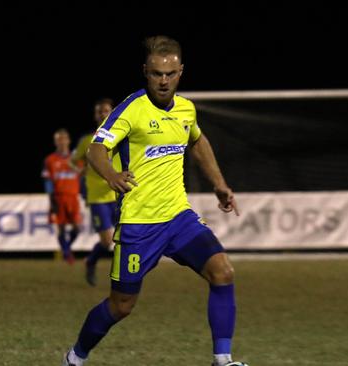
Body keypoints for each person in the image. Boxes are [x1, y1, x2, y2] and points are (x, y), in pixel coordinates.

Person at [62, 36, 247, 366]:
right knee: (121, 306)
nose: (164, 80)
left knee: (223, 272)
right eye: (157, 74)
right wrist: (111, 175)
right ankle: (75, 357)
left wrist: (219, 184)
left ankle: (223, 360)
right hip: (139, 225)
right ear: (145, 72)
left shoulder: (186, 110)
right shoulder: (131, 110)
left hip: (179, 218)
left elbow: (198, 141)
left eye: (171, 73)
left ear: (181, 72)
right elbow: (95, 149)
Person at [70, 99, 119, 286]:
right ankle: (91, 261)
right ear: (95, 115)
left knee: (127, 237)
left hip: (119, 194)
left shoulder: (121, 136)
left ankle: (125, 274)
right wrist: (81, 170)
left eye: (106, 111)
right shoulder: (86, 140)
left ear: (112, 112)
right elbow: (73, 161)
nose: (103, 114)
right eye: (99, 112)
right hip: (98, 197)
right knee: (107, 242)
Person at [42, 128, 82, 264]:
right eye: (58, 139)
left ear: (69, 140)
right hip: (58, 198)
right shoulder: (50, 160)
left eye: (63, 138)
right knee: (61, 227)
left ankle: (66, 249)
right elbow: (48, 181)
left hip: (73, 197)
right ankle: (66, 253)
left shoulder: (76, 159)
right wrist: (51, 199)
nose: (61, 142)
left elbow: (82, 177)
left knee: (77, 228)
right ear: (55, 142)